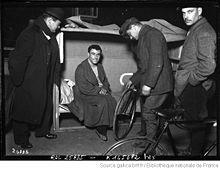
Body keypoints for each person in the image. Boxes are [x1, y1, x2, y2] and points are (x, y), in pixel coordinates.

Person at [8, 8, 65, 149]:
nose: (59, 27)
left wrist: (55, 81)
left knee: (46, 105)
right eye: (58, 24)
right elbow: (17, 60)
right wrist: (19, 81)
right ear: (50, 20)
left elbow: (56, 61)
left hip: (47, 79)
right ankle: (21, 139)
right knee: (23, 108)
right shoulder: (29, 34)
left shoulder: (50, 35)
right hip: (28, 80)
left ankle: (43, 131)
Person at [119, 17, 174, 139]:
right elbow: (144, 67)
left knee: (148, 112)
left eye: (130, 35)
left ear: (133, 27)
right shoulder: (144, 37)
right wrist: (133, 80)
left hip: (160, 84)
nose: (131, 38)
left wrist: (148, 85)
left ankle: (151, 148)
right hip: (154, 82)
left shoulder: (152, 35)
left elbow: (157, 63)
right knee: (147, 110)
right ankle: (148, 139)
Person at [174, 7, 216, 155]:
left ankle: (195, 158)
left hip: (194, 86)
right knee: (193, 122)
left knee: (197, 124)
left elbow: (209, 66)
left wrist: (192, 80)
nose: (186, 16)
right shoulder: (195, 28)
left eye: (190, 11)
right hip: (191, 84)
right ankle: (193, 150)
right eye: (183, 12)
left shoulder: (204, 31)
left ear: (200, 10)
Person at [73, 44, 117, 141]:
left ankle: (110, 124)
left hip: (99, 92)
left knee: (112, 100)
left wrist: (105, 89)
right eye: (93, 54)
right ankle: (101, 129)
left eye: (98, 54)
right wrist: (99, 90)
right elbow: (83, 88)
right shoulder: (81, 68)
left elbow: (105, 81)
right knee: (103, 102)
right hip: (85, 94)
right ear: (88, 54)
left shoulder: (100, 66)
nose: (96, 57)